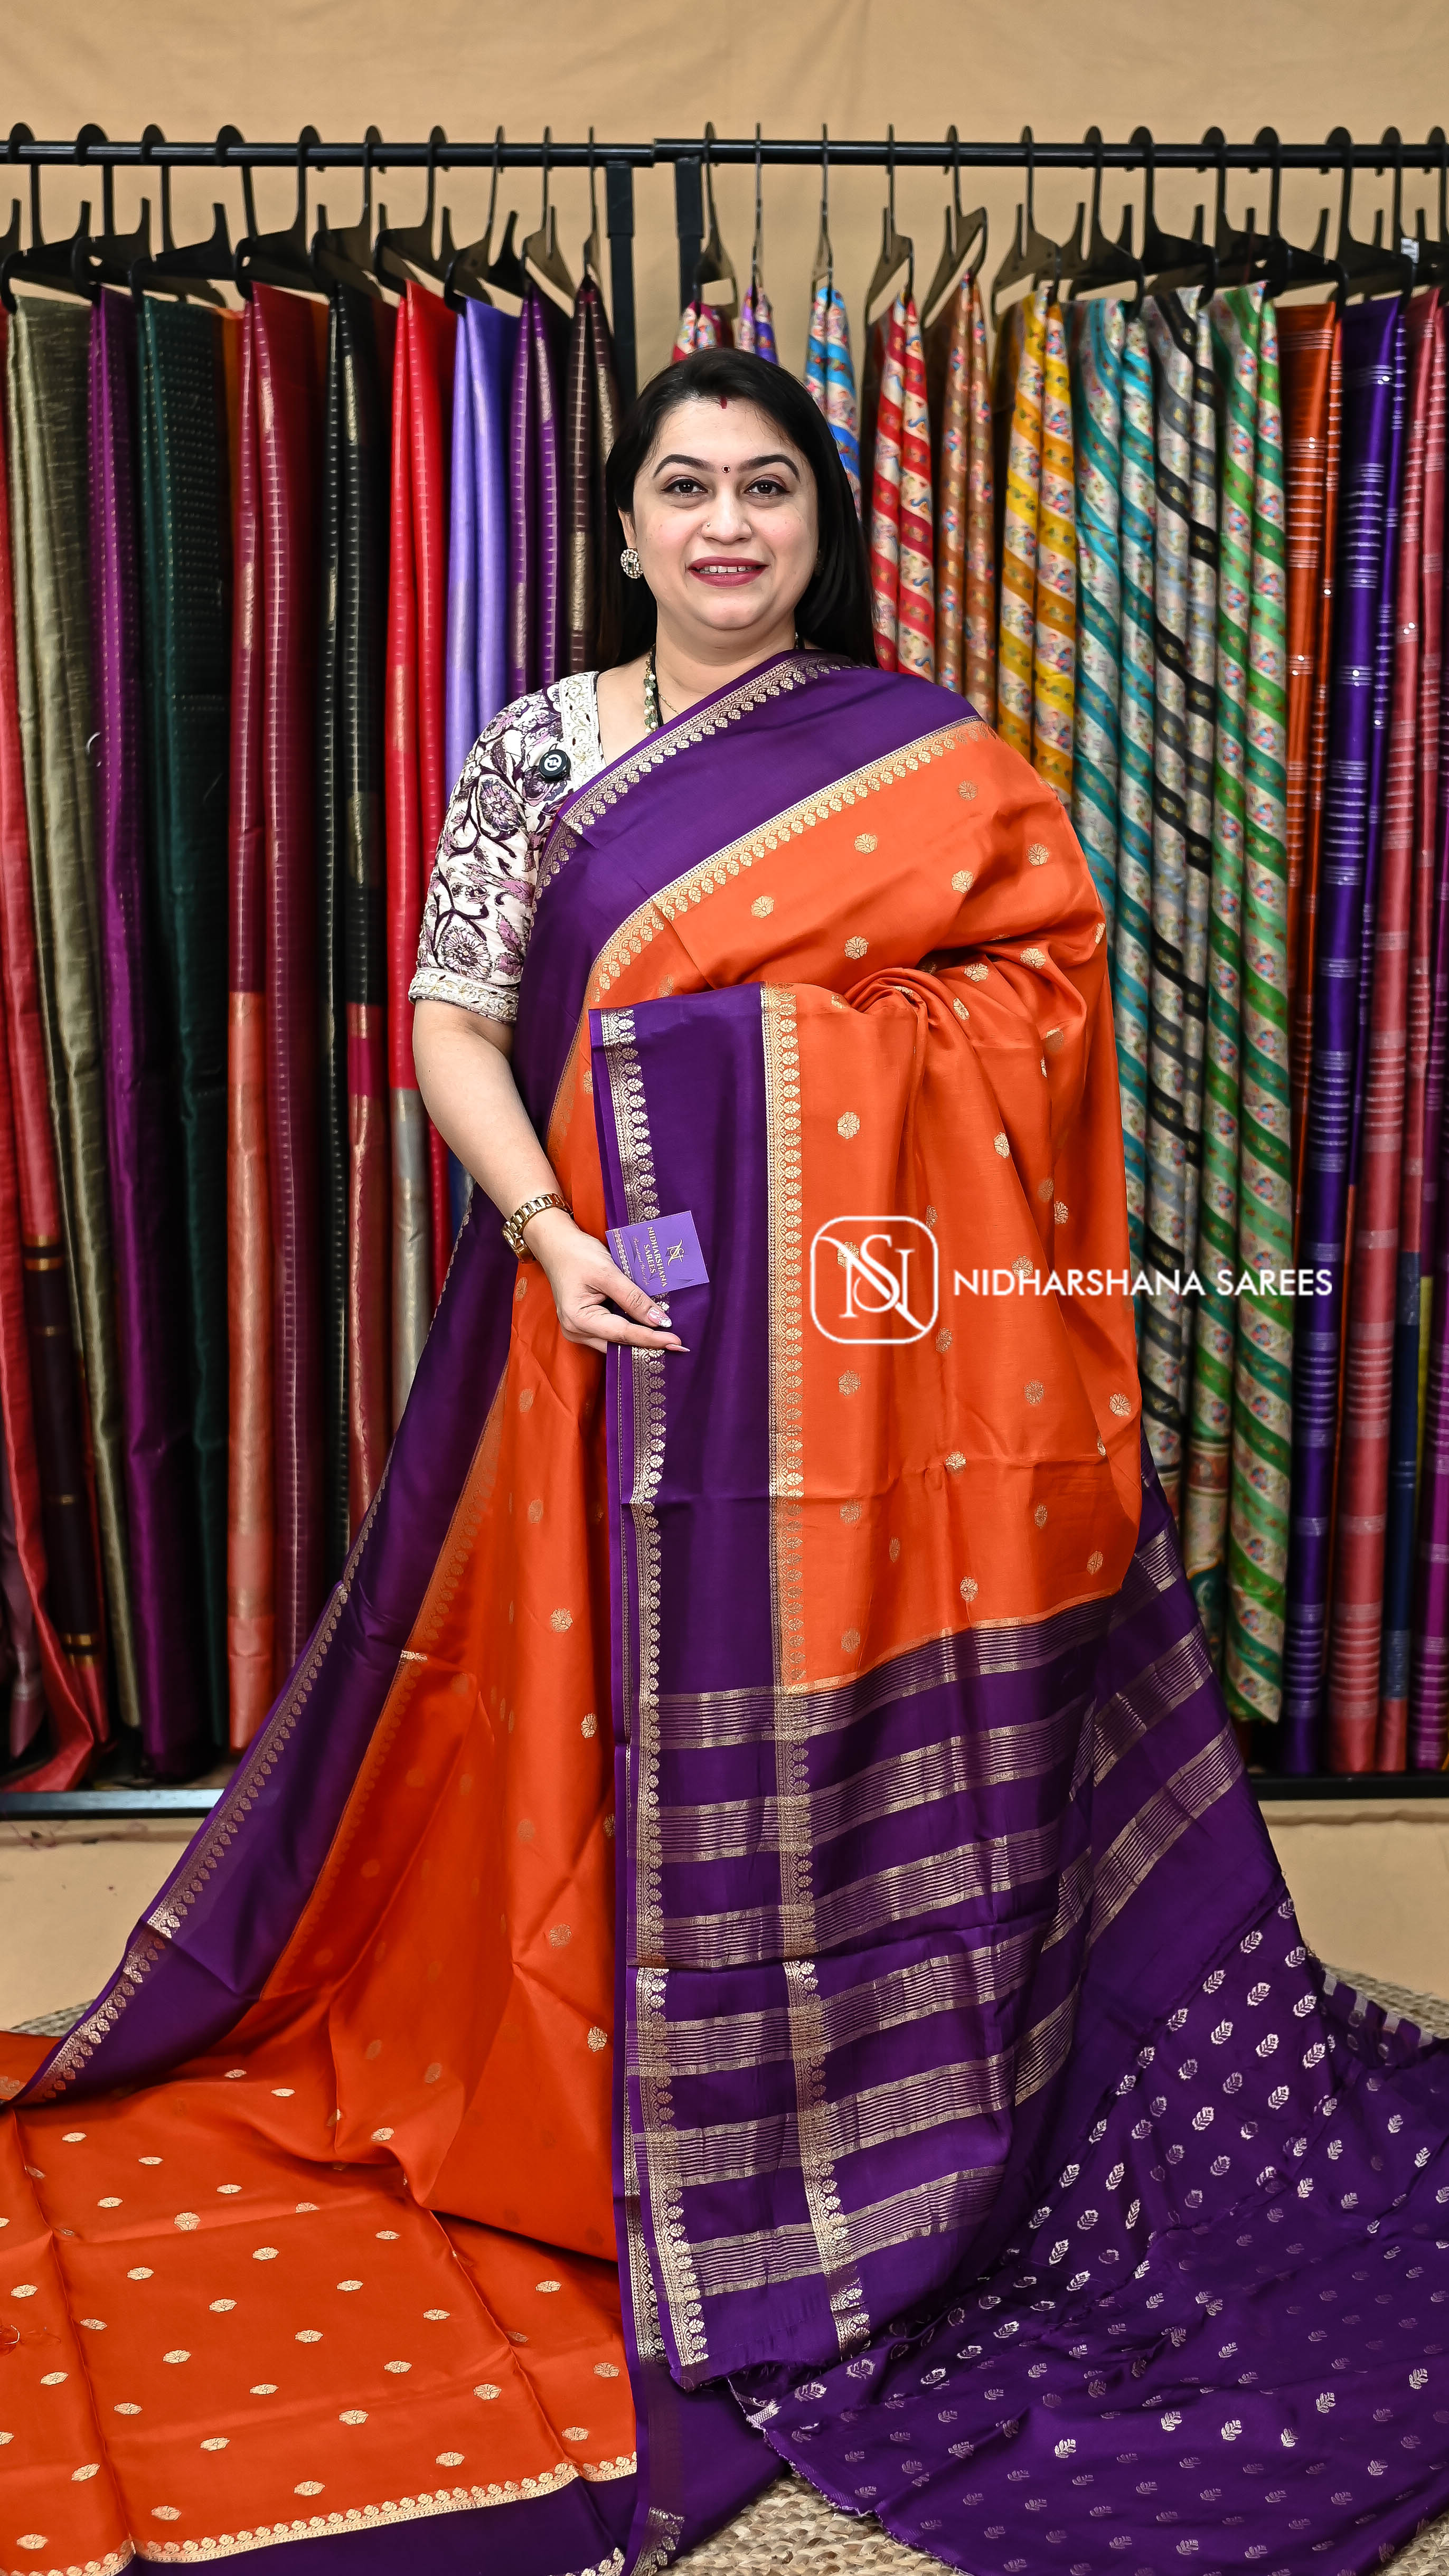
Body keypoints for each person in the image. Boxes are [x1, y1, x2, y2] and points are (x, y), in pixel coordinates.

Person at [3, 347, 1448, 2576]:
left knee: (798, 1695)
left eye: (766, 488)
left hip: (847, 1368)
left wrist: (752, 1067)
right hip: (590, 1308)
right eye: (684, 489)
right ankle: (580, 2093)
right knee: (560, 1709)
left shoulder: (921, 757)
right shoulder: (539, 750)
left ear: (816, 524)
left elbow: (1042, 1014)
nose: (725, 529)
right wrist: (549, 1225)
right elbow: (451, 1017)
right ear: (620, 527)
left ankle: (830, 2103)